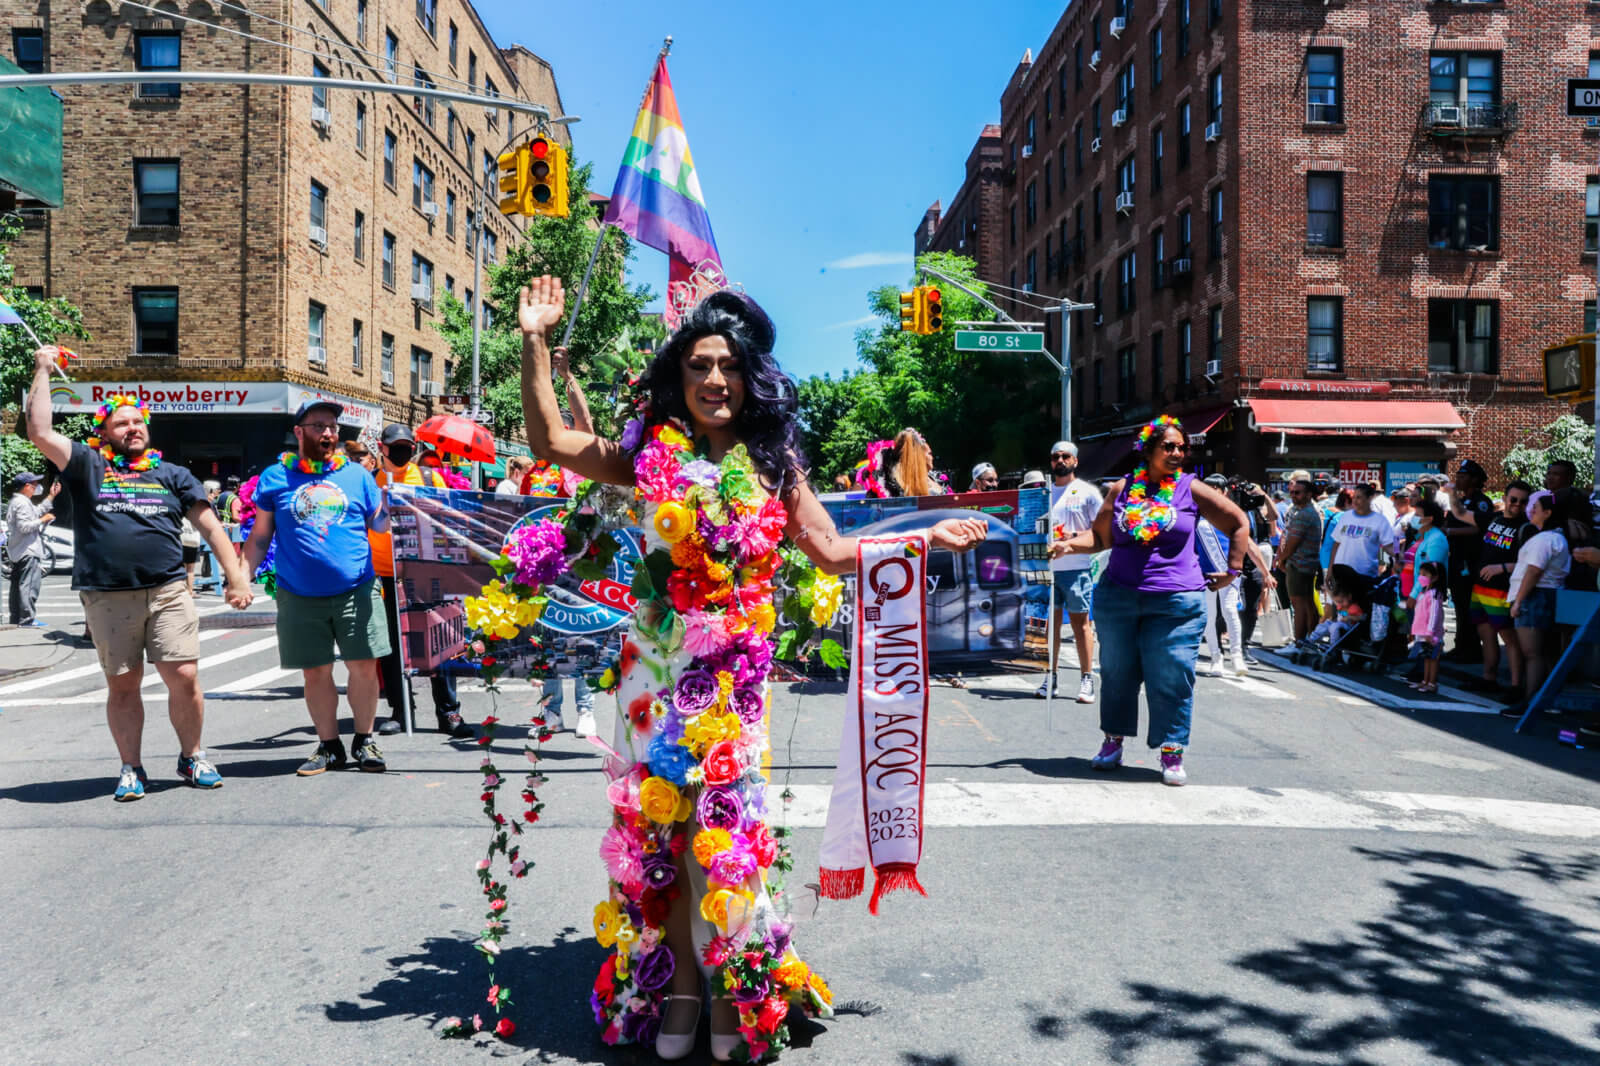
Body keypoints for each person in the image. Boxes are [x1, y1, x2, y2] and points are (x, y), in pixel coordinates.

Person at [516, 276, 987, 1061]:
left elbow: (833, 551)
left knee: (722, 832)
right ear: (680, 376)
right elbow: (551, 445)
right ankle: (679, 989)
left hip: (732, 681)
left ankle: (731, 984)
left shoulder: (776, 466)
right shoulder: (648, 455)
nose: (713, 380)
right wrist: (534, 339)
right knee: (657, 831)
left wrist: (924, 537)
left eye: (728, 367)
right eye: (699, 365)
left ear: (751, 379)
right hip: (651, 679)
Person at [25, 346, 253, 800]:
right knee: (124, 684)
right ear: (105, 431)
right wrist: (42, 370)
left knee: (184, 674)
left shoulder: (172, 474)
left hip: (168, 591)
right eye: (121, 423)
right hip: (107, 595)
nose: (132, 428)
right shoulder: (88, 466)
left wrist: (237, 577)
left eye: (137, 421)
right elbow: (39, 430)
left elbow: (209, 527)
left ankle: (192, 755)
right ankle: (131, 766)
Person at [1058, 415, 1251, 787]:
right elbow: (1098, 540)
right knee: (1116, 673)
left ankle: (1172, 749)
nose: (1178, 452)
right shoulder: (1121, 489)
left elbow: (1239, 522)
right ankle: (1113, 741)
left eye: (1182, 447)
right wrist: (1067, 544)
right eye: (1169, 446)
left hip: (1177, 603)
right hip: (1119, 597)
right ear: (1148, 450)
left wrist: (1233, 569)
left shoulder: (1191, 489)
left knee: (1173, 672)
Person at [243, 400, 392, 776]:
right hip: (298, 594)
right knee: (315, 672)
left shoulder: (357, 476)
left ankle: (364, 740)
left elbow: (380, 526)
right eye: (319, 426)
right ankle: (329, 746)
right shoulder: (275, 478)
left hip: (357, 588)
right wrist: (240, 576)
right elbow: (260, 537)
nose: (328, 433)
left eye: (332, 427)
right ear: (299, 432)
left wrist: (394, 500)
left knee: (363, 666)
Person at [370, 422, 473, 738]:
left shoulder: (429, 478)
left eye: (407, 446)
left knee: (438, 642)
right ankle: (400, 712)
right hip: (385, 574)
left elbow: (446, 522)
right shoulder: (369, 482)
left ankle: (449, 713)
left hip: (425, 571)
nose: (403, 451)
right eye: (396, 445)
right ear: (382, 447)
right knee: (392, 648)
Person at [1038, 441, 1101, 702]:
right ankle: (1049, 677)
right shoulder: (1043, 494)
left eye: (1065, 456)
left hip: (1077, 568)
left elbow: (1101, 532)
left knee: (1081, 625)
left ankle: (1087, 679)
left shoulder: (1087, 492)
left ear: (1075, 461)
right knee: (1048, 627)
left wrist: (1072, 537)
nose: (1060, 461)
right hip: (1048, 570)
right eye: (1055, 457)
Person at [1505, 490, 1573, 716]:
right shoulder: (1558, 538)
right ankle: (1549, 699)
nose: (1531, 510)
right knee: (1547, 652)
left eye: (1537, 507)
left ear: (1548, 513)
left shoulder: (1544, 539)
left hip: (1535, 597)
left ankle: (1530, 701)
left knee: (1533, 654)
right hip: (1550, 595)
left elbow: (1533, 571)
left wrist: (1518, 601)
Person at [1466, 481, 1532, 697]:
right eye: (1513, 499)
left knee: (1510, 638)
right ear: (1504, 498)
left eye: (1523, 501)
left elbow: (1530, 563)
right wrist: (1448, 494)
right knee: (1486, 634)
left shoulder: (1527, 528)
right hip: (1480, 587)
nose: (1517, 505)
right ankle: (1489, 678)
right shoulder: (1494, 519)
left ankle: (1515, 686)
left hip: (1502, 590)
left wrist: (1500, 567)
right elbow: (1461, 514)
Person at [1443, 459, 1493, 662]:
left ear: (1474, 479)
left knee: (1468, 605)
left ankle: (1471, 649)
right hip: (1457, 559)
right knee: (1460, 605)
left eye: (1463, 476)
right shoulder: (1462, 502)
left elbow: (1479, 528)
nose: (1458, 480)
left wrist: (1449, 531)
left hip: (1471, 561)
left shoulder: (1481, 502)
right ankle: (1460, 646)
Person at [1329, 482, 1398, 605]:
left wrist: (1399, 558)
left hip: (1364, 575)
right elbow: (1336, 544)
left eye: (1359, 497)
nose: (1355, 500)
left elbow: (1389, 546)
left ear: (1369, 498)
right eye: (1354, 497)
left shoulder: (1379, 520)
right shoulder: (1346, 516)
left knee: (1359, 612)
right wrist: (1330, 570)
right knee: (1341, 612)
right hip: (1341, 573)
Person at [6, 471, 57, 626]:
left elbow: (36, 512)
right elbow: (24, 527)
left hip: (19, 550)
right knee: (28, 586)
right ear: (27, 486)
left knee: (18, 586)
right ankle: (27, 619)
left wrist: (51, 496)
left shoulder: (20, 501)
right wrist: (43, 519)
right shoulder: (21, 503)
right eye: (35, 484)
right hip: (27, 550)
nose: (37, 487)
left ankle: (17, 618)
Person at [1277, 479, 1324, 642]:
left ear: (1309, 494)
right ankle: (1310, 638)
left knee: (1299, 604)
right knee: (1307, 602)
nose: (1293, 495)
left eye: (1298, 492)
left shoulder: (1304, 513)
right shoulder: (1309, 511)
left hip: (1299, 563)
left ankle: (1299, 641)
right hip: (1306, 563)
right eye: (1291, 492)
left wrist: (1281, 559)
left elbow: (1292, 542)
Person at [1407, 560, 1447, 693]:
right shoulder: (1424, 593)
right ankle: (1425, 681)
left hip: (1431, 633)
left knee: (1432, 659)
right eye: (1420, 573)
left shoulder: (1436, 594)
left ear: (1435, 577)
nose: (1421, 577)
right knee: (1426, 658)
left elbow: (1434, 614)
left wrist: (1430, 632)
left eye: (1425, 574)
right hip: (1422, 632)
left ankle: (1432, 683)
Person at [879, 428, 946, 497]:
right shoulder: (899, 482)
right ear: (920, 456)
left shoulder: (932, 478)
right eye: (930, 454)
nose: (932, 457)